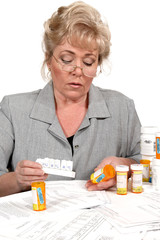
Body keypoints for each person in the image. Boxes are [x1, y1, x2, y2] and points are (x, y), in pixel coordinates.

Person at [0, 1, 141, 197]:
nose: (78, 71)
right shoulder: (13, 109)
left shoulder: (122, 108)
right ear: (49, 60)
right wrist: (17, 179)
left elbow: (146, 164)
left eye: (88, 62)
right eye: (67, 59)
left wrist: (125, 166)